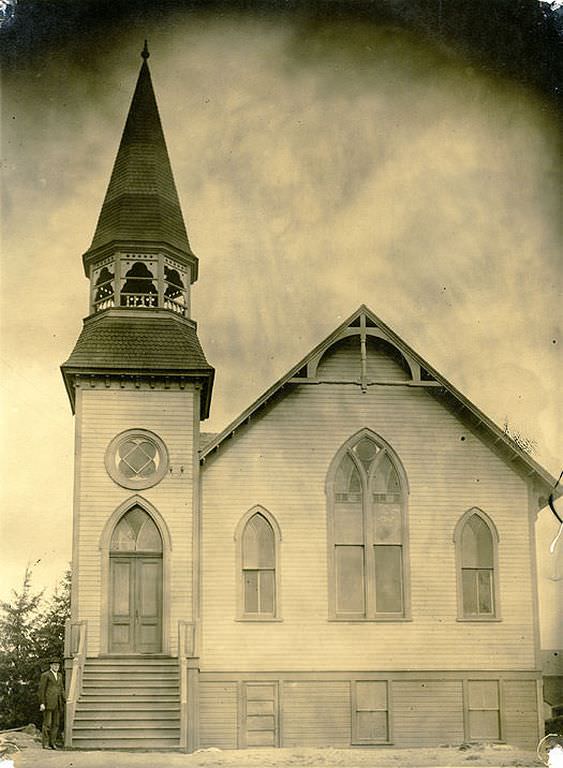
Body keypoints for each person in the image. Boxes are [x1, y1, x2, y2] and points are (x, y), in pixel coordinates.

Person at [38, 657, 65, 750]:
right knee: (47, 724)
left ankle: (52, 743)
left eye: (58, 665)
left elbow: (61, 689)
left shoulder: (60, 676)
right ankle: (45, 744)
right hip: (48, 703)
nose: (56, 666)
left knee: (56, 724)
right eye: (54, 665)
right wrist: (42, 703)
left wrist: (65, 700)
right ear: (51, 665)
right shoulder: (45, 675)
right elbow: (41, 690)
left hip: (58, 703)